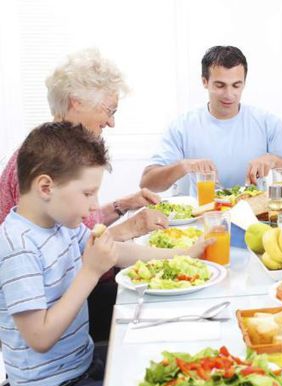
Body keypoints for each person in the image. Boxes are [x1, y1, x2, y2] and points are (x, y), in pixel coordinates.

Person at [0, 122, 211, 386]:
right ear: (45, 187)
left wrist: (183, 254)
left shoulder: (61, 223)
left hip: (81, 364)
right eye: (88, 193)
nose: (94, 205)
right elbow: (39, 338)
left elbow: (117, 251)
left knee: (168, 364)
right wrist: (90, 271)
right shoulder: (19, 246)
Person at [0, 48, 168, 242]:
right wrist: (129, 228)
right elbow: (60, 254)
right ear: (76, 102)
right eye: (109, 111)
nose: (111, 122)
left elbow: (80, 228)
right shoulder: (41, 163)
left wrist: (122, 205)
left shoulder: (65, 152)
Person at [141, 45, 282, 195]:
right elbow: (147, 182)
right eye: (220, 85)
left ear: (244, 83)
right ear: (205, 82)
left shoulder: (267, 122)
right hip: (203, 217)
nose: (229, 95)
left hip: (255, 216)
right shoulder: (182, 126)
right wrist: (184, 166)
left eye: (236, 85)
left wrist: (275, 161)